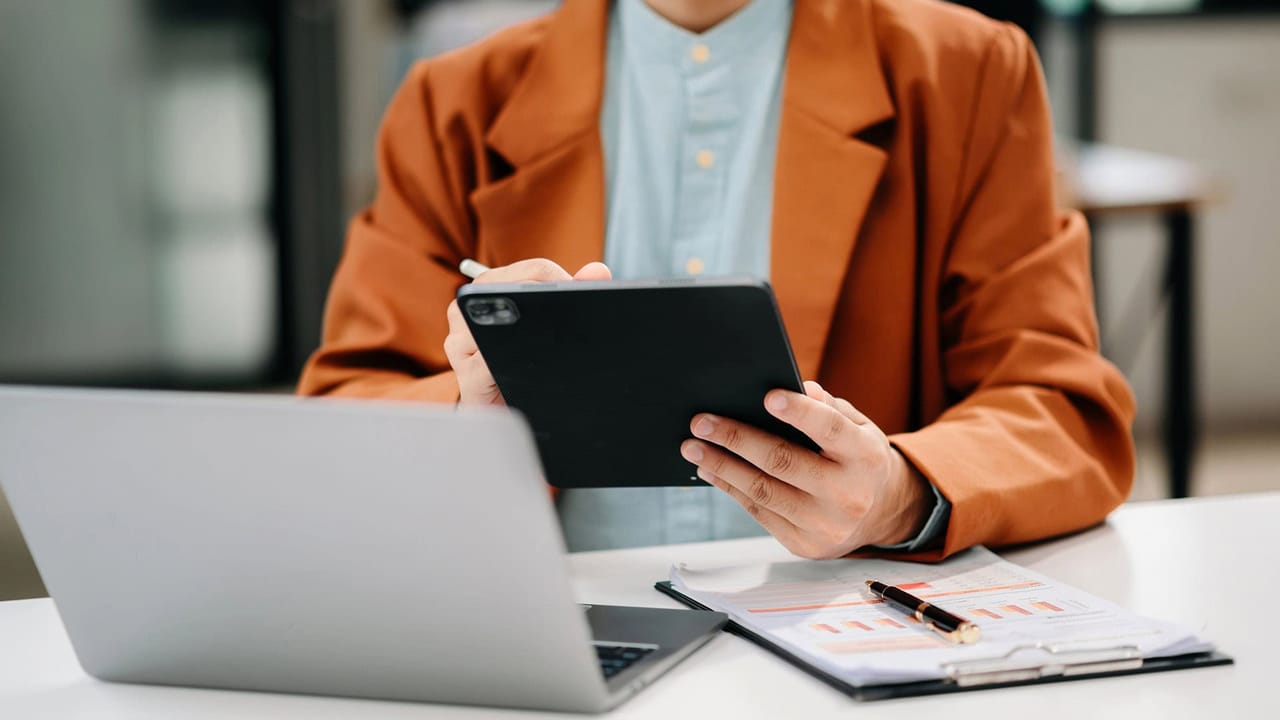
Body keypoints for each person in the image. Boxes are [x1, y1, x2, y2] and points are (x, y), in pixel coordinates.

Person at [298, 0, 1136, 561]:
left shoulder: (967, 71)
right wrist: (465, 416)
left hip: (854, 624)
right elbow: (339, 415)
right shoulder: (456, 100)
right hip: (550, 626)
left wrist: (902, 492)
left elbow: (1061, 411)